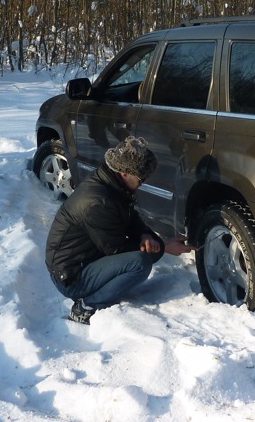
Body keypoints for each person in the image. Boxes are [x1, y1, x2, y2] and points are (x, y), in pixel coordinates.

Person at [45, 136, 195, 324]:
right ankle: (87, 306)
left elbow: (130, 216)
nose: (143, 183)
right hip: (72, 277)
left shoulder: (110, 183)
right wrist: (163, 248)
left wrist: (145, 235)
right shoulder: (97, 201)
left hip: (83, 260)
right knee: (139, 264)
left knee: (138, 257)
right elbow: (116, 249)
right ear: (125, 173)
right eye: (141, 179)